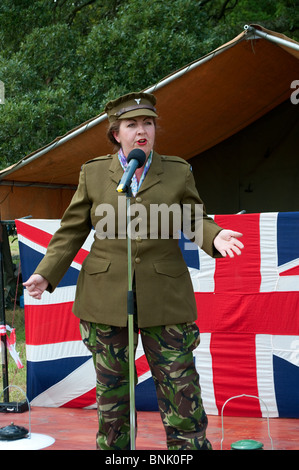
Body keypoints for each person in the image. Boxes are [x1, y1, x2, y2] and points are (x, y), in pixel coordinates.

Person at [24, 92, 244, 450]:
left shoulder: (177, 170)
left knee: (180, 387)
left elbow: (192, 216)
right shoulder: (94, 172)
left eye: (148, 123)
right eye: (132, 125)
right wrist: (46, 273)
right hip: (105, 297)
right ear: (116, 133)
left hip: (165, 297)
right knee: (113, 398)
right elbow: (72, 229)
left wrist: (214, 236)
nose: (142, 131)